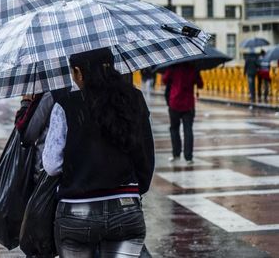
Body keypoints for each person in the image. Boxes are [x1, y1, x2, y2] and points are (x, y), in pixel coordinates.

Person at [42, 48, 155, 258]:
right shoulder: (134, 99)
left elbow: (51, 164)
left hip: (77, 211)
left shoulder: (66, 105)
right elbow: (145, 157)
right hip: (126, 208)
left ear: (79, 72)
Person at [162, 62, 203, 164]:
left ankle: (176, 154)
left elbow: (164, 80)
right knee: (188, 130)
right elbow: (200, 84)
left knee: (174, 129)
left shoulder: (172, 66)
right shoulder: (193, 68)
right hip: (188, 104)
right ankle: (188, 157)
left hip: (174, 102)